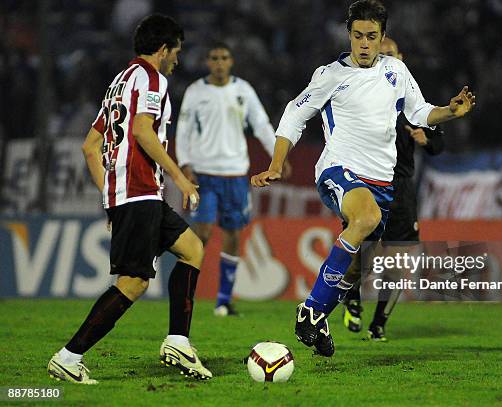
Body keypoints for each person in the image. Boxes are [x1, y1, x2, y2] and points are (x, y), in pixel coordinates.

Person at [251, 0, 475, 357]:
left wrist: (449, 111)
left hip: (382, 182)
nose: (365, 44)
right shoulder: (330, 75)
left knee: (359, 268)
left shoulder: (396, 71)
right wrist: (277, 163)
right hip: (338, 169)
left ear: (383, 36)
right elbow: (295, 114)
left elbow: (418, 111)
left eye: (372, 36)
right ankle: (310, 310)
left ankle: (321, 316)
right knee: (365, 217)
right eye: (358, 36)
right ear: (349, 36)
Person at [47, 14, 213, 384]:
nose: (177, 59)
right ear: (163, 49)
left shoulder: (117, 84)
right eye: (176, 51)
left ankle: (178, 341)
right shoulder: (152, 79)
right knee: (134, 282)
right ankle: (69, 357)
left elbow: (90, 147)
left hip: (131, 194)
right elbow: (142, 131)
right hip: (140, 191)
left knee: (192, 249)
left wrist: (109, 197)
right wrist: (181, 178)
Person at [342, 37, 445, 341]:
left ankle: (378, 324)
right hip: (367, 184)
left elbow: (438, 141)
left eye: (390, 55)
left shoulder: (411, 98)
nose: (385, 58)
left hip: (401, 188)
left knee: (400, 261)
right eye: (381, 54)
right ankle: (352, 297)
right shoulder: (360, 93)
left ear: (401, 58)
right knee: (364, 254)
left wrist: (427, 140)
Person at [175, 42, 288, 317]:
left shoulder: (243, 90)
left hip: (236, 174)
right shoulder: (195, 91)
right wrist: (185, 165)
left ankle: (224, 300)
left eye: (224, 57)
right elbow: (183, 130)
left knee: (234, 233)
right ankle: (187, 293)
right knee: (201, 233)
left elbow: (261, 124)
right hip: (206, 174)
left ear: (231, 61)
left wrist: (277, 157)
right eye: (214, 57)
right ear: (207, 61)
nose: (219, 62)